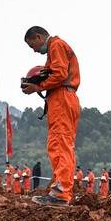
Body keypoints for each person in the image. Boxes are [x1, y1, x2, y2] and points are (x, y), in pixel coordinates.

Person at [21, 26, 80, 206]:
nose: (34, 50)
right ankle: (58, 190)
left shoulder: (56, 45)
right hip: (58, 99)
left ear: (38, 37)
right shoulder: (56, 48)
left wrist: (38, 86)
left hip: (62, 98)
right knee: (56, 145)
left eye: (33, 45)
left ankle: (61, 193)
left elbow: (60, 74)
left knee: (61, 144)